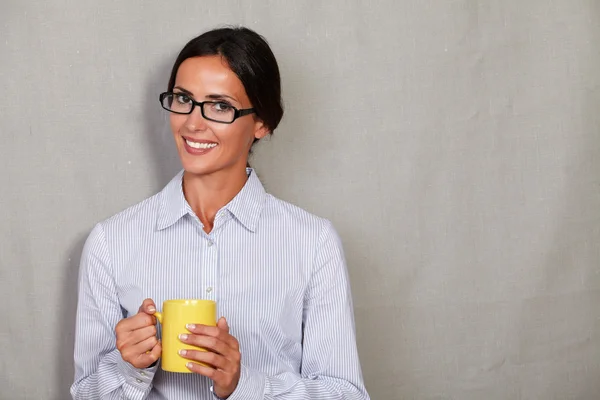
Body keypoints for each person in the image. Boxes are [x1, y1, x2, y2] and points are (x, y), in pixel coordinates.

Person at [70, 26, 369, 400]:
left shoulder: (313, 243)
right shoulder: (110, 242)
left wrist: (243, 384)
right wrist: (131, 369)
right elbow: (85, 394)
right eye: (183, 99)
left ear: (262, 122)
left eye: (220, 105)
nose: (193, 123)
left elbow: (345, 393)